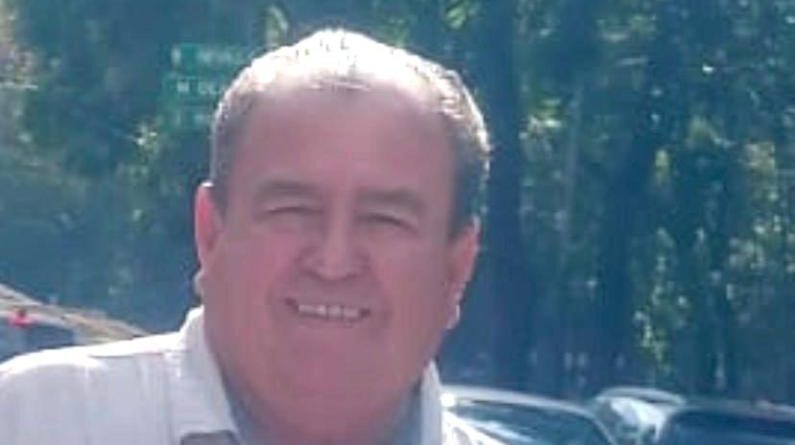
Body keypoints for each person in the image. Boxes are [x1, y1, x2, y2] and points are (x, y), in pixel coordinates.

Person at [0, 29, 500, 445]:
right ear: (211, 235)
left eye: (385, 220)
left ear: (456, 269)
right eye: (293, 210)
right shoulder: (36, 422)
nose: (333, 261)